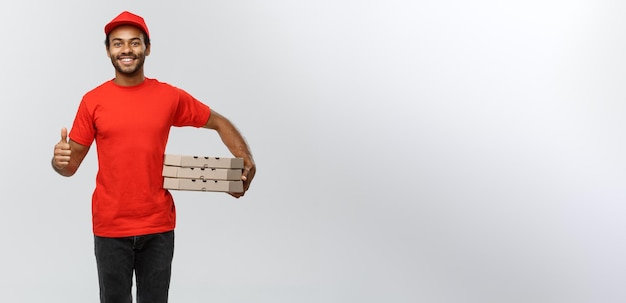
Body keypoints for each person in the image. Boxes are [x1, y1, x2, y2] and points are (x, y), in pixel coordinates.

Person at [51, 11, 256, 303]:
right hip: (111, 227)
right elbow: (69, 167)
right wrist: (58, 160)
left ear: (147, 48)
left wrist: (245, 159)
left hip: (158, 226)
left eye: (134, 43)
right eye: (118, 43)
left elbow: (218, 122)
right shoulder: (92, 101)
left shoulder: (168, 97)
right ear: (108, 50)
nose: (126, 50)